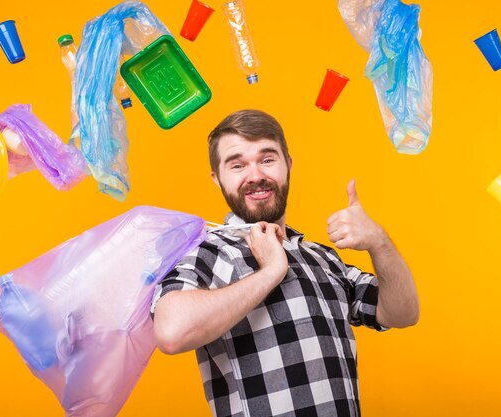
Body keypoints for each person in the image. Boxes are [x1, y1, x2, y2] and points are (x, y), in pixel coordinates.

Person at [151, 109, 419, 417]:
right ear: (218, 178)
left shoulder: (322, 257)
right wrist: (272, 272)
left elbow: (402, 313)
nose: (255, 176)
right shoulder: (207, 252)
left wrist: (379, 242)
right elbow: (171, 332)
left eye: (267, 159)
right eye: (237, 165)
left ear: (288, 165)